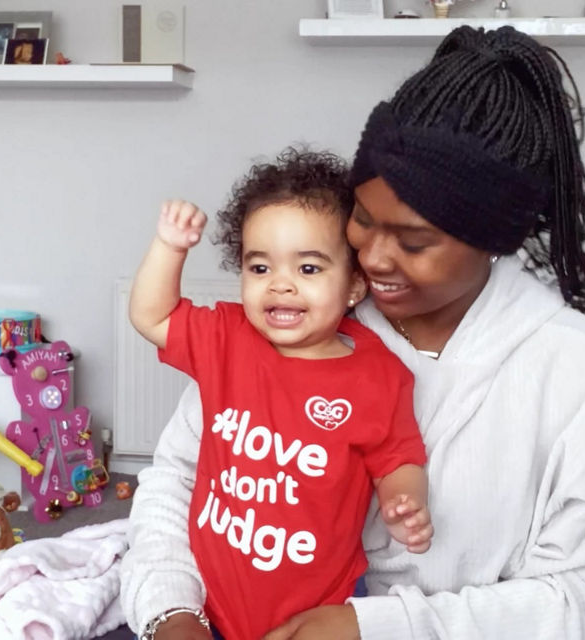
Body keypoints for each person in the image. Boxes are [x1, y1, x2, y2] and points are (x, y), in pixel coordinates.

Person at [122, 25, 585, 640]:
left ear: (496, 241)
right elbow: (177, 480)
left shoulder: (569, 362)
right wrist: (169, 611)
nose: (374, 258)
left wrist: (372, 628)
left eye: (415, 242)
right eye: (362, 222)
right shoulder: (303, 320)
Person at [127, 149, 435, 640]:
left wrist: (405, 499)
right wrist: (170, 247)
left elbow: (397, 455)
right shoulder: (227, 338)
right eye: (260, 268)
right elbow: (152, 316)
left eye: (308, 269)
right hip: (212, 602)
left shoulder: (379, 374)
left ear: (355, 283)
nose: (281, 286)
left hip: (319, 608)